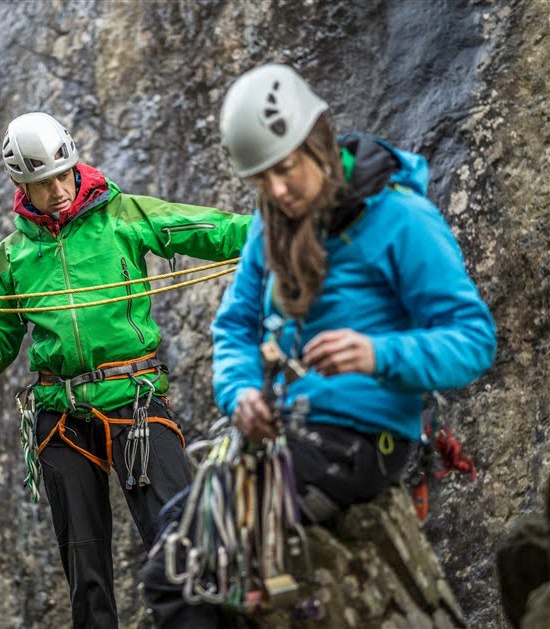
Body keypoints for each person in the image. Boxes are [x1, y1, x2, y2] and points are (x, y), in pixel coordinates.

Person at [142, 63, 496, 626]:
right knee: (174, 530)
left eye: (286, 170)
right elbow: (236, 328)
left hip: (363, 440)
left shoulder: (403, 220)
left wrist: (378, 354)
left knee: (188, 567)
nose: (278, 191)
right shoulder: (269, 226)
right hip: (289, 434)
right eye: (262, 179)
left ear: (319, 144)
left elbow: (474, 340)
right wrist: (239, 395)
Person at [0, 111, 252, 628]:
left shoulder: (121, 214)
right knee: (85, 571)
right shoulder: (11, 258)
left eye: (62, 174)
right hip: (61, 417)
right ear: (19, 184)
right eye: (41, 182)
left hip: (135, 401)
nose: (57, 189)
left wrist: (275, 230)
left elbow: (205, 229)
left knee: (182, 543)